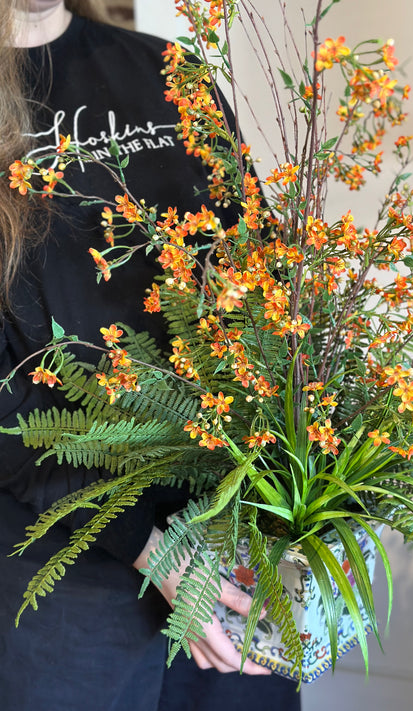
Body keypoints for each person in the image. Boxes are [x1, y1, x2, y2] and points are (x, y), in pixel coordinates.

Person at [0, 2, 301, 709]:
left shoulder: (170, 74)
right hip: (66, 577)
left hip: (228, 533)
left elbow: (261, 281)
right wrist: (150, 545)